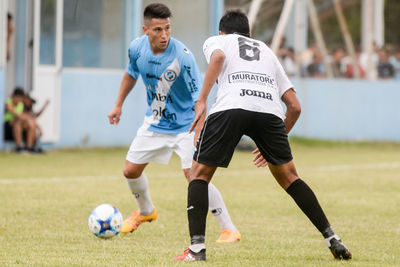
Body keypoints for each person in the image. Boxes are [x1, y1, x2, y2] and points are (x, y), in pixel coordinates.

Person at [174, 10, 352, 261]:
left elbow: (218, 58)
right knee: (290, 178)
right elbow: (295, 106)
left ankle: (196, 250)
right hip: (269, 112)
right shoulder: (266, 50)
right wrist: (274, 140)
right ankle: (333, 238)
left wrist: (202, 100)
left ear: (222, 32)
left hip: (231, 107)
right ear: (250, 34)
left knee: (198, 175)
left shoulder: (218, 41)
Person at [107, 3, 240, 243]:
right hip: (155, 122)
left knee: (195, 177)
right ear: (145, 30)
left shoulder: (182, 56)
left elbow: (200, 99)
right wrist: (118, 105)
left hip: (186, 126)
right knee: (130, 170)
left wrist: (199, 132)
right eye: (158, 29)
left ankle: (228, 228)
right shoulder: (137, 48)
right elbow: (130, 73)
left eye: (167, 28)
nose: (164, 35)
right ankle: (146, 212)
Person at [4, 87, 36, 153]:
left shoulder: (21, 105)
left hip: (20, 125)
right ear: (13, 96)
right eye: (18, 98)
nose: (19, 100)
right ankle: (18, 147)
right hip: (8, 126)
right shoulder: (8, 102)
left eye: (21, 98)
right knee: (18, 121)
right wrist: (25, 117)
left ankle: (29, 147)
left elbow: (24, 115)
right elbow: (15, 114)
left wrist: (28, 119)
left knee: (31, 123)